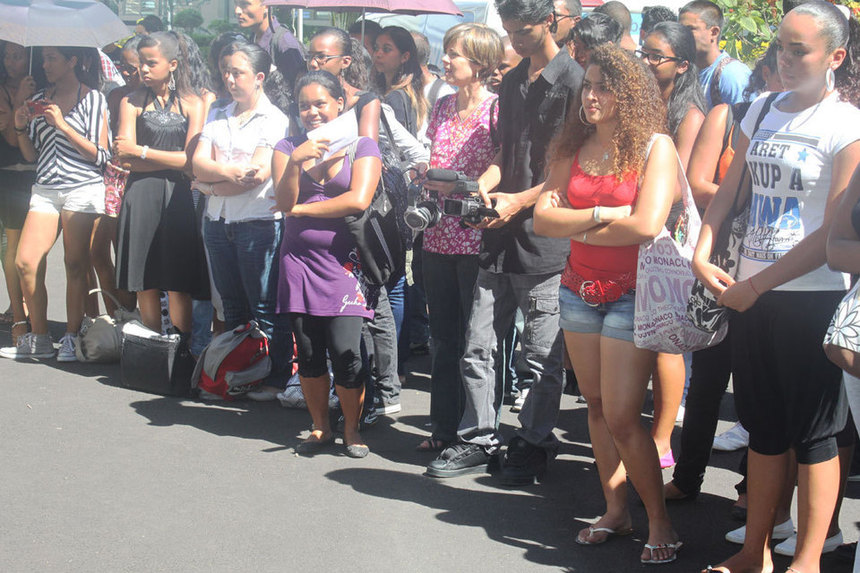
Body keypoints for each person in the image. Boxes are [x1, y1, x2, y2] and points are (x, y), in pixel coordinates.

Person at [692, 3, 860, 572]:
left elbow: (834, 234)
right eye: (780, 48)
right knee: (763, 426)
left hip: (812, 297)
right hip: (749, 292)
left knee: (815, 434)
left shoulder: (846, 124)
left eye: (800, 50)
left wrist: (757, 284)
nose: (784, 61)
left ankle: (808, 559)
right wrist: (702, 249)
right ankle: (753, 550)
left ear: (835, 57)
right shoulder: (761, 109)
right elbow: (730, 188)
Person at [533, 43, 682, 566]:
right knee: (594, 407)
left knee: (621, 415)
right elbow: (543, 222)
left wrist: (581, 223)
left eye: (604, 86)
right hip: (577, 288)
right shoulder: (569, 145)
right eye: (587, 86)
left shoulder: (653, 146)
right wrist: (599, 212)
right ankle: (615, 510)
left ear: (630, 92)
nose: (591, 96)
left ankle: (659, 520)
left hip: (634, 294)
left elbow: (646, 225)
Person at [426, 0, 582, 486]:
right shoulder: (513, 82)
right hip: (497, 233)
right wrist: (486, 189)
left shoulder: (575, 81)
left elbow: (566, 167)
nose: (516, 41)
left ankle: (535, 441)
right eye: (510, 31)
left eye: (525, 31)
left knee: (538, 356)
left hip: (545, 239)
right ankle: (477, 437)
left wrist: (518, 200)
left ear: (550, 21)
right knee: (477, 345)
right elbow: (505, 151)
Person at [667, 43, 782, 509]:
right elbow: (697, 182)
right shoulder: (731, 115)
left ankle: (751, 489)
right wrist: (756, 200)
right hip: (723, 259)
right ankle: (689, 476)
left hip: (776, 268)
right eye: (780, 67)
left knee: (759, 387)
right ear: (767, 71)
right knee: (709, 379)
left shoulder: (813, 124)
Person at [272, 70, 382, 458]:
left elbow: (358, 200)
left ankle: (352, 428)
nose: (312, 112)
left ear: (340, 103)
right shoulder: (288, 146)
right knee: (308, 349)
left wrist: (302, 208)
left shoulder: (362, 146)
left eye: (320, 103)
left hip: (344, 264)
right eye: (304, 105)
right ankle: (321, 427)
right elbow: (282, 203)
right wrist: (294, 166)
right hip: (297, 261)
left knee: (346, 350)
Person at [417, 23, 502, 452]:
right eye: (446, 52)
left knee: (476, 343)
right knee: (443, 339)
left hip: (474, 240)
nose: (446, 61)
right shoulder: (443, 105)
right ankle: (442, 429)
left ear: (481, 63)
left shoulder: (496, 110)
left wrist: (464, 186)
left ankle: (480, 431)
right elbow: (431, 154)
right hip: (436, 237)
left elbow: (504, 171)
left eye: (455, 54)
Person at [192, 41, 291, 399]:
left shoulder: (275, 118)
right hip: (217, 223)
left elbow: (257, 175)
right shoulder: (218, 113)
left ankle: (274, 375)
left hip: (257, 222)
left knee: (264, 305)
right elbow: (197, 163)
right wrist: (223, 175)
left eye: (238, 72)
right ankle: (238, 370)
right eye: (226, 72)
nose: (229, 79)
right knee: (232, 305)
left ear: (259, 77)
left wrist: (209, 185)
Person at [2, 47, 109, 361]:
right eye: (45, 58)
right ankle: (39, 336)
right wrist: (22, 125)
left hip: (83, 186)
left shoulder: (93, 98)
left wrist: (63, 125)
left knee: (75, 263)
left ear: (72, 61)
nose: (45, 65)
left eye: (52, 58)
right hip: (46, 186)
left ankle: (72, 337)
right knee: (26, 261)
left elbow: (101, 155)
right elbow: (31, 155)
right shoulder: (39, 100)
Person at [638, 20, 707, 468]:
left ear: (682, 65)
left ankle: (662, 440)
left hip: (668, 235)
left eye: (656, 56)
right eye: (644, 52)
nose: (646, 61)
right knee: (642, 336)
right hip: (638, 226)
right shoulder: (644, 104)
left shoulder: (692, 113)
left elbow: (681, 184)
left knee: (666, 337)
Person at [113, 31, 209, 341]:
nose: (142, 69)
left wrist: (141, 152)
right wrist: (169, 159)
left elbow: (192, 162)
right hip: (140, 193)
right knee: (145, 278)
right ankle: (152, 343)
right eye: (141, 62)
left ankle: (182, 346)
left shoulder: (195, 102)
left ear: (173, 64)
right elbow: (121, 156)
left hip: (179, 196)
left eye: (150, 63)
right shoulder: (130, 100)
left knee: (177, 278)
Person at [0, 43, 42, 346]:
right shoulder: (4, 90)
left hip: (39, 174)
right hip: (9, 175)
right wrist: (16, 101)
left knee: (33, 251)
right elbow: (11, 140)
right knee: (12, 249)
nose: (11, 61)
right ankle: (18, 315)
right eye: (7, 55)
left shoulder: (41, 88)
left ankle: (25, 304)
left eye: (18, 55)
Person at [679, 0, 751, 109]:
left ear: (714, 32)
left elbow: (746, 122)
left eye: (690, 29)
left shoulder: (732, 74)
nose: (682, 35)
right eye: (680, 29)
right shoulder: (685, 71)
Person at [234, 0, 305, 92]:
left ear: (266, 6)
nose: (237, 10)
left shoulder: (284, 42)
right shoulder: (252, 38)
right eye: (236, 4)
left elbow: (298, 89)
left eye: (245, 4)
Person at [372, 26, 428, 137]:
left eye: (386, 49)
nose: (378, 54)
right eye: (376, 48)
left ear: (405, 57)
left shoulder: (395, 98)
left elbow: (395, 142)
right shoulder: (403, 92)